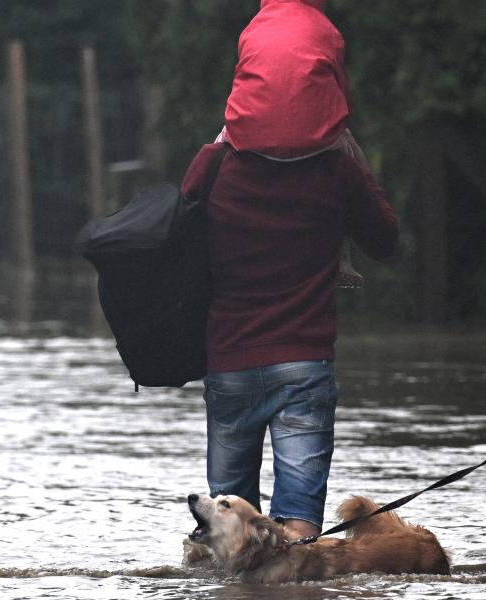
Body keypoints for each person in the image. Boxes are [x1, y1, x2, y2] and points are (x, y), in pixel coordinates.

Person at [181, 0, 398, 541]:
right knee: (300, 523)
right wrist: (357, 167)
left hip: (228, 360)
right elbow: (386, 242)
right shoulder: (338, 171)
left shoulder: (214, 164)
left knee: (228, 530)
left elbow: (178, 238)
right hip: (305, 363)